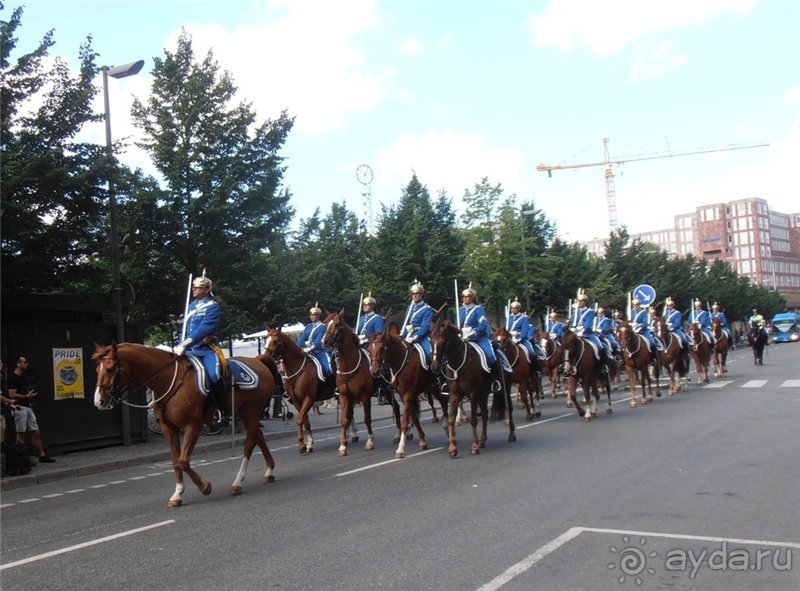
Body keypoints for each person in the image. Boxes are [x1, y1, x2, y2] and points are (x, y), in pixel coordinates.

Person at [175, 272, 230, 418]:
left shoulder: (213, 307)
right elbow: (186, 329)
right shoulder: (190, 307)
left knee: (213, 375)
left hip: (206, 349)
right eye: (193, 287)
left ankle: (224, 410)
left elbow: (204, 329)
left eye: (197, 287)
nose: (193, 289)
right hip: (190, 350)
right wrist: (181, 343)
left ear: (206, 290)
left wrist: (185, 343)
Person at [7, 356, 55, 463]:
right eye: (24, 362)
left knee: (35, 432)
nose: (27, 364)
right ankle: (21, 457)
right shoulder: (13, 378)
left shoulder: (23, 377)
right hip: (19, 407)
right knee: (21, 433)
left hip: (27, 407)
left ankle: (41, 455)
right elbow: (11, 394)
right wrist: (26, 397)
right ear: (18, 364)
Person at [459, 284, 503, 393]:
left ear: (472, 298)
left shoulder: (479, 310)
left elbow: (482, 326)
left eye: (467, 296)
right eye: (463, 297)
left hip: (479, 339)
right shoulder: (460, 310)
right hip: (463, 339)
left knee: (491, 356)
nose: (465, 298)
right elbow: (458, 325)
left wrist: (472, 334)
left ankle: (495, 381)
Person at [570, 293, 611, 367]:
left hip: (587, 334)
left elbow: (588, 325)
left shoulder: (590, 312)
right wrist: (571, 328)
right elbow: (572, 323)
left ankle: (604, 366)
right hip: (575, 334)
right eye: (578, 301)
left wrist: (581, 330)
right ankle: (566, 366)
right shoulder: (575, 312)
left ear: (585, 302)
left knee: (600, 346)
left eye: (581, 301)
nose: (579, 302)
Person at [400, 279, 435, 362]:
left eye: (417, 294)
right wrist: (402, 334)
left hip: (422, 336)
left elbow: (425, 327)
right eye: (413, 294)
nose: (414, 296)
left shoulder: (427, 309)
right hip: (408, 334)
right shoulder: (409, 308)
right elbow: (406, 324)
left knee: (428, 354)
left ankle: (434, 373)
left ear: (421, 294)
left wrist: (414, 337)